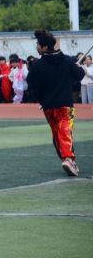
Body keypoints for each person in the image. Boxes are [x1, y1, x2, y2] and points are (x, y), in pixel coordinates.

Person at [26, 30, 85, 177]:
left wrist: (40, 99)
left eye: (38, 45)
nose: (37, 47)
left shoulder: (37, 65)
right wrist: (78, 67)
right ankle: (68, 158)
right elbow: (79, 75)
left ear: (45, 47)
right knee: (65, 130)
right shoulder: (67, 60)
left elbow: (31, 84)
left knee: (57, 134)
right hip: (65, 103)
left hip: (48, 106)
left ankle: (66, 159)